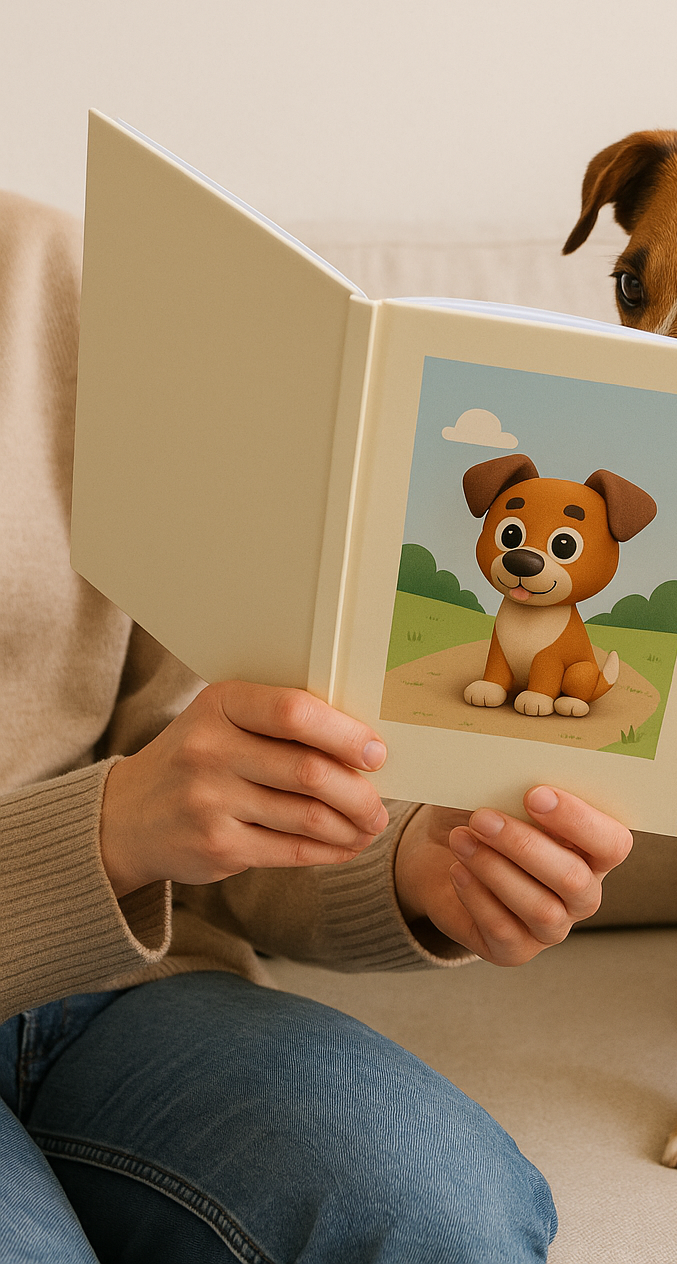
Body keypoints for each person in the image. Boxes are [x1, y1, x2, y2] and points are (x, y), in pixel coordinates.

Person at [0, 191, 634, 1264]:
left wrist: (407, 867)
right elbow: (132, 817)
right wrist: (103, 834)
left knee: (444, 1219)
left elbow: (187, 759)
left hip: (103, 995)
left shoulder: (50, 276)